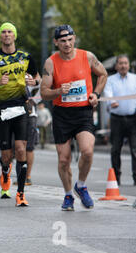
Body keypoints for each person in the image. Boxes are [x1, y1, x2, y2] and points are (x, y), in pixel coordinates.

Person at [40, 25, 107, 211]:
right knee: (64, 160)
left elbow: (103, 75)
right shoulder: (50, 63)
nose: (67, 44)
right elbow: (44, 93)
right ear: (56, 42)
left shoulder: (87, 56)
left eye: (69, 40)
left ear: (74, 38)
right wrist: (58, 91)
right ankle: (68, 194)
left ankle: (81, 185)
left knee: (87, 151)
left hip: (83, 112)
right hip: (62, 114)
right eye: (62, 41)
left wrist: (95, 94)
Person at [0, 22, 40, 207]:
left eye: (9, 32)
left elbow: (37, 78)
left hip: (21, 108)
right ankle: (5, 170)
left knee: (21, 149)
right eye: (3, 32)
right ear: (0, 37)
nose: (6, 35)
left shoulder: (26, 57)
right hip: (2, 110)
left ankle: (20, 194)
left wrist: (33, 81)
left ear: (15, 36)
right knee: (6, 155)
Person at [103, 54, 136, 186]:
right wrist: (112, 102)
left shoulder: (134, 79)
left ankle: (135, 177)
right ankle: (116, 177)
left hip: (133, 119)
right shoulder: (110, 80)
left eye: (125, 63)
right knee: (116, 149)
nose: (123, 66)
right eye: (121, 63)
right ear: (116, 66)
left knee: (135, 149)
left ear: (129, 65)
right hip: (117, 119)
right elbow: (108, 93)